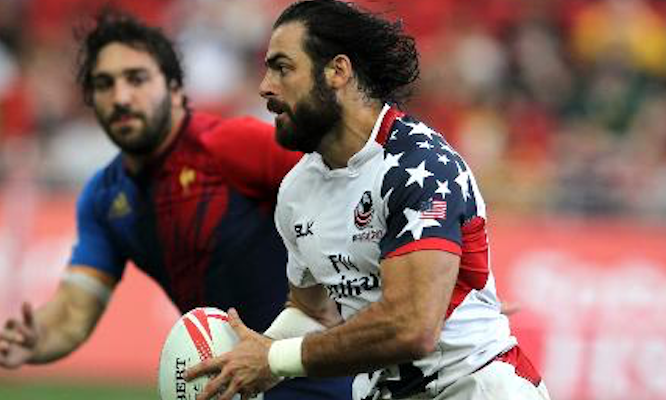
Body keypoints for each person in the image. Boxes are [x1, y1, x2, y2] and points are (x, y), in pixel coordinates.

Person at [184, 1, 551, 400]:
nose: (265, 86)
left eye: (283, 67)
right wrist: (249, 358)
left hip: (474, 389)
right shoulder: (297, 191)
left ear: (337, 71)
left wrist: (273, 359)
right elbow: (312, 311)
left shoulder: (420, 165)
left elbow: (413, 327)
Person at [0, 10, 353, 400]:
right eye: (104, 84)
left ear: (175, 87)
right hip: (227, 386)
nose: (121, 96)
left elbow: (342, 192)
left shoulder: (232, 146)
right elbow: (74, 312)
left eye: (137, 79)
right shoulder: (105, 196)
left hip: (325, 379)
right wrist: (36, 337)